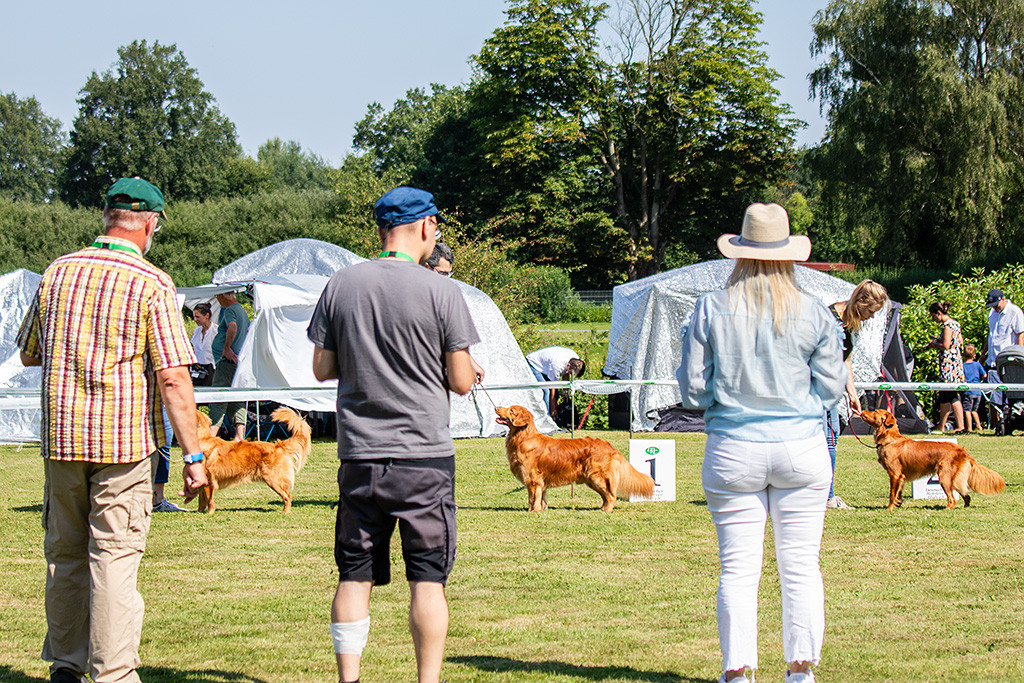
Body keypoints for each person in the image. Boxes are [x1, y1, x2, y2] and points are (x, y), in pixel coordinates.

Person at [16, 177, 208, 683]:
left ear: (106, 217)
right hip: (122, 445)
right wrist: (193, 456)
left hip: (62, 439)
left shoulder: (58, 272)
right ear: (151, 223)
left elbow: (29, 352)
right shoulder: (151, 282)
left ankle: (66, 665)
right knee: (115, 557)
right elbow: (172, 375)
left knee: (64, 554)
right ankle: (114, 673)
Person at [307, 186, 484, 683]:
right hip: (423, 457)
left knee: (353, 574)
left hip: (360, 454)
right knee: (428, 580)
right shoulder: (444, 291)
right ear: (426, 227)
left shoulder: (342, 284)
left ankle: (349, 679)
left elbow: (321, 367)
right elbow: (461, 380)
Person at [677, 203, 846, 683]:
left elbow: (691, 391)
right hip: (801, 446)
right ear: (788, 254)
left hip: (733, 446)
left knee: (737, 570)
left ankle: (737, 672)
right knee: (800, 568)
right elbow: (832, 387)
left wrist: (725, 396)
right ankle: (800, 670)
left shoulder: (710, 307)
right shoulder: (814, 311)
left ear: (740, 253)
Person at [825, 279, 888, 510]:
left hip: (831, 392)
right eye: (871, 311)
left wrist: (852, 393)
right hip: (815, 391)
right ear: (860, 301)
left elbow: (845, 361)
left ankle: (827, 496)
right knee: (822, 442)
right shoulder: (828, 319)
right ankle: (822, 497)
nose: (871, 317)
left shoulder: (849, 323)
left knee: (831, 441)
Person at [208, 290, 250, 441]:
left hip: (226, 363)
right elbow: (247, 331)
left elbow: (232, 327)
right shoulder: (242, 310)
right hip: (236, 363)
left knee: (219, 397)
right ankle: (240, 436)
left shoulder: (230, 310)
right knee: (237, 399)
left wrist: (226, 349)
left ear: (220, 296)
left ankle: (211, 436)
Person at [984, 288, 1024, 420]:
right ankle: (995, 425)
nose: (994, 308)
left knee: (1011, 398)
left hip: (1009, 363)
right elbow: (990, 336)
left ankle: (1010, 421)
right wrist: (983, 355)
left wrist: (1019, 357)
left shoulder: (1015, 312)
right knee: (993, 397)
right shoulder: (992, 313)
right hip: (992, 361)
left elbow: (1020, 335)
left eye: (996, 305)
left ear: (1003, 299)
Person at [927, 301, 966, 434]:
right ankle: (941, 426)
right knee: (944, 395)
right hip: (956, 362)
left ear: (939, 313)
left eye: (933, 316)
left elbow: (946, 345)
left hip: (949, 364)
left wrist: (933, 344)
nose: (933, 319)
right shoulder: (956, 324)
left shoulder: (947, 325)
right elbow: (959, 341)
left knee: (951, 394)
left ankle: (961, 426)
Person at [525, 346, 586, 420]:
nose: (570, 375)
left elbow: (566, 373)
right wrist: (552, 409)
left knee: (557, 394)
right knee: (546, 391)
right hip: (534, 363)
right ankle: (547, 418)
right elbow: (552, 387)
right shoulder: (557, 366)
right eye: (571, 373)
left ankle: (554, 415)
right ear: (568, 365)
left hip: (547, 365)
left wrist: (565, 392)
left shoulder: (575, 359)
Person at [961, 344, 987, 432]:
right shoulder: (977, 365)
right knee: (974, 410)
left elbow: (961, 377)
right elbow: (985, 375)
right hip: (978, 391)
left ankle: (969, 428)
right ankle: (979, 426)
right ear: (975, 355)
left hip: (968, 391)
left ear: (963, 355)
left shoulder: (962, 366)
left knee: (967, 410)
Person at [189, 302, 215, 387]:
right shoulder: (197, 330)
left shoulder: (216, 331)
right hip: (198, 369)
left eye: (197, 317)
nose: (195, 319)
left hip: (211, 369)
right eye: (194, 317)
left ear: (206, 316)